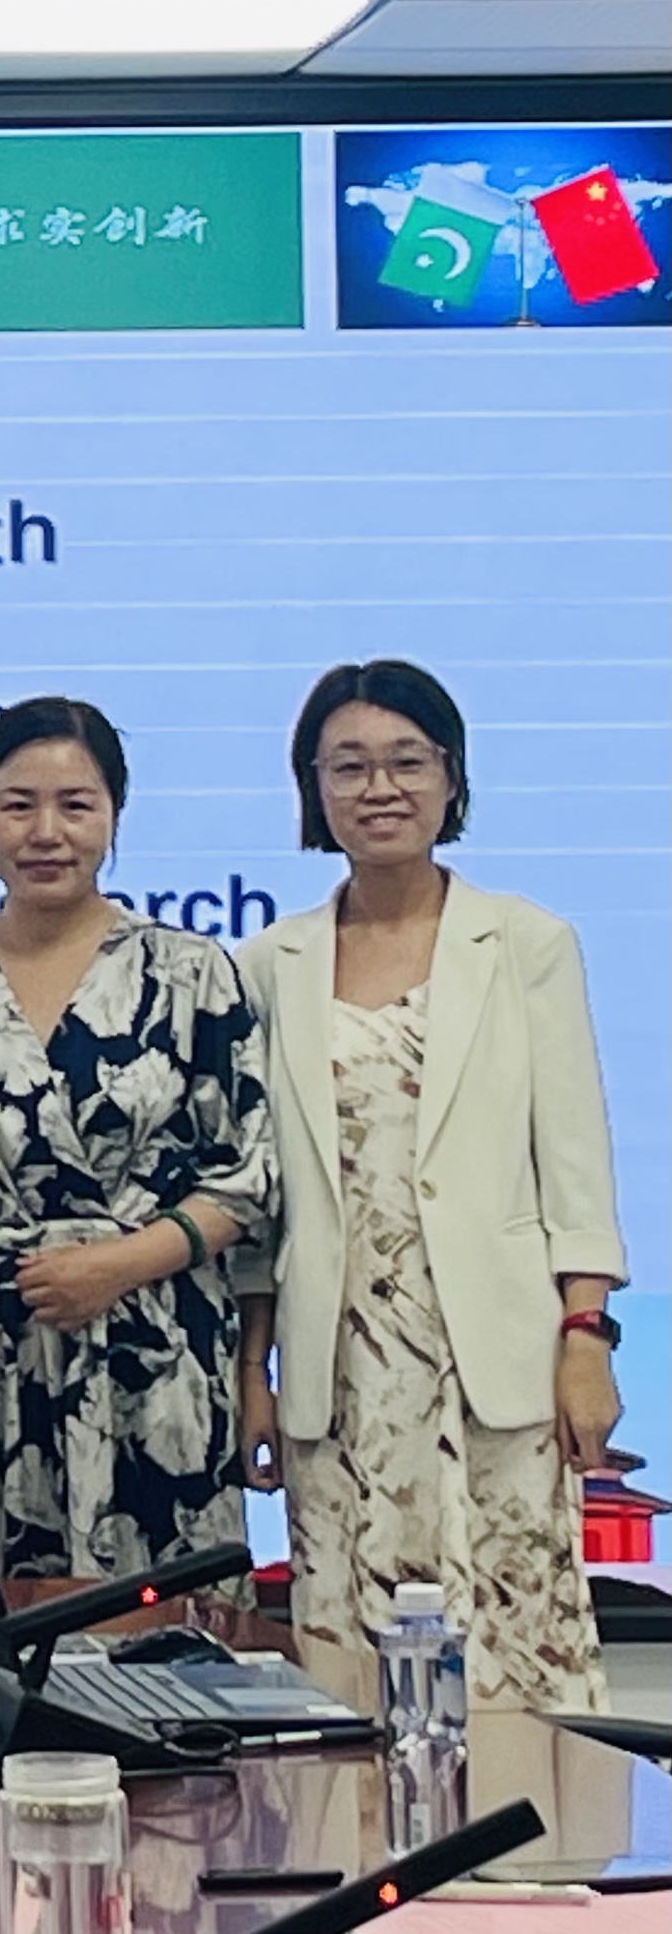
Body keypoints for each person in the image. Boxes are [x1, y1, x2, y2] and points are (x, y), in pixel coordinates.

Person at [234, 661, 624, 1707]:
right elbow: (259, 1203)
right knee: (349, 1661)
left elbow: (573, 1157)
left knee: (513, 1650)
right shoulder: (268, 962)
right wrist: (251, 1368)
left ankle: (526, 1820)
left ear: (451, 778)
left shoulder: (524, 943)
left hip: (491, 1358)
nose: (379, 788)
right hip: (339, 1369)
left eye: (407, 761)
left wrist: (585, 1336)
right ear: (312, 787)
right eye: (348, 765)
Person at [0, 697, 275, 1580]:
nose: (45, 832)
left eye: (75, 805)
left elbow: (246, 1177)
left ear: (113, 816)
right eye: (17, 805)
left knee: (170, 1631)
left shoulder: (191, 973)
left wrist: (117, 1265)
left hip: (158, 1355)